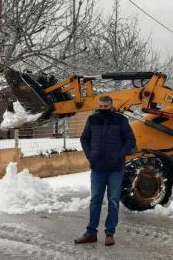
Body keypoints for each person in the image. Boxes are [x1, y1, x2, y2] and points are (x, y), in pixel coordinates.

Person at [74, 96, 136, 247]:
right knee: (95, 201)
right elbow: (84, 139)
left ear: (111, 105)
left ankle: (110, 234)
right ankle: (91, 233)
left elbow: (130, 140)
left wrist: (120, 155)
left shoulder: (120, 120)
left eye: (105, 106)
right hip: (97, 169)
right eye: (100, 106)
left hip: (115, 169)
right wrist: (91, 155)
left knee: (113, 201)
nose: (103, 108)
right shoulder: (92, 119)